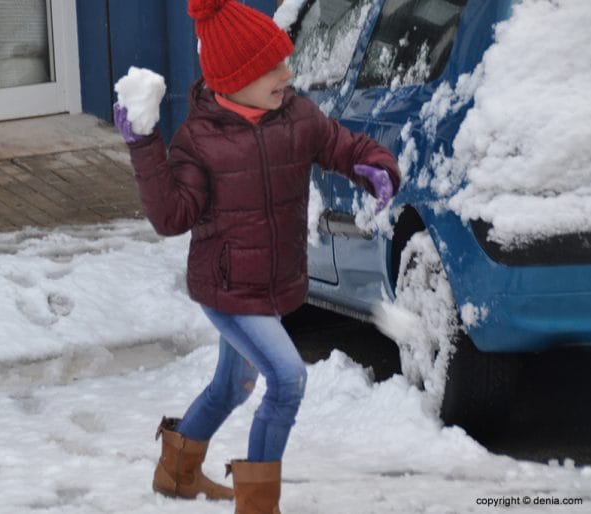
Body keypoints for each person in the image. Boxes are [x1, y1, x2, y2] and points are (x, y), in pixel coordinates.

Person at [113, 1, 400, 512]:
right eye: (273, 67)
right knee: (287, 380)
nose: (287, 74)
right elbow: (171, 216)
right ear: (236, 77)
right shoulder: (199, 140)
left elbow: (342, 145)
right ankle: (259, 506)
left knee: (235, 384)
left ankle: (176, 472)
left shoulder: (297, 115)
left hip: (273, 283)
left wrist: (375, 165)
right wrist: (144, 144)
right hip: (227, 290)